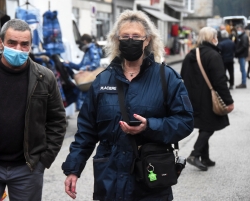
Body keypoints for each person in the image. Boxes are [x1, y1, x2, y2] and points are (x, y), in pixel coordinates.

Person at [62, 10, 194, 201]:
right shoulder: (102, 81)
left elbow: (185, 121)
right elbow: (86, 131)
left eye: (136, 37)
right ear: (117, 39)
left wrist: (149, 126)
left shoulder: (167, 78)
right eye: (125, 37)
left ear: (147, 40)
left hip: (151, 180)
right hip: (110, 179)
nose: (130, 41)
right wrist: (73, 169)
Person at [0, 19, 67, 201]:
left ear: (31, 45)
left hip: (28, 167)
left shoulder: (45, 77)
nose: (18, 49)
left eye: (25, 44)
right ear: (0, 43)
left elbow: (57, 121)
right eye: (12, 43)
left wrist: (43, 160)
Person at [181, 27, 234, 171]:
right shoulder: (213, 55)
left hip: (192, 97)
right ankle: (194, 154)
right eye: (215, 36)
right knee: (209, 126)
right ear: (212, 38)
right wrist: (229, 101)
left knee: (205, 125)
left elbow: (182, 76)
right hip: (207, 99)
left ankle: (205, 157)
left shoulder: (191, 54)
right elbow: (220, 80)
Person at [64, 33, 101, 111]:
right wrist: (69, 63)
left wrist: (85, 69)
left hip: (90, 81)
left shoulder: (92, 49)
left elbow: (95, 63)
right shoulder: (87, 51)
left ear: (84, 41)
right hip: (87, 82)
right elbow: (80, 66)